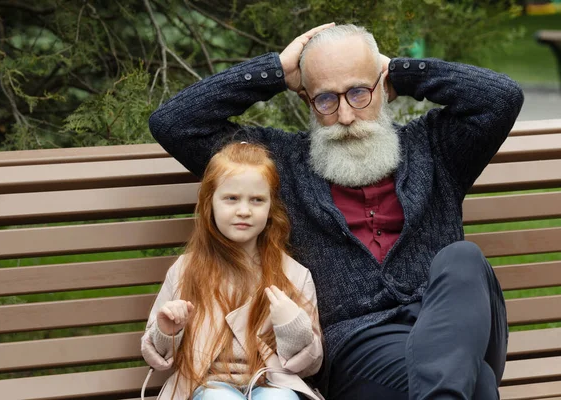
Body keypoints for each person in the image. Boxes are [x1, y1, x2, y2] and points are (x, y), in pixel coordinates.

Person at [148, 23, 524, 399]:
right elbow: (176, 124)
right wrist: (277, 70)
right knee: (479, 382)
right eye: (326, 99)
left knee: (463, 258)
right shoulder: (283, 166)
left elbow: (501, 98)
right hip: (363, 346)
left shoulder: (435, 147)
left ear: (382, 87)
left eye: (359, 92)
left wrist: (403, 72)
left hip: (455, 320)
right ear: (307, 101)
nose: (345, 116)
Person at [140, 142, 323, 400]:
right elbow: (157, 356)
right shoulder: (186, 269)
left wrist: (294, 329)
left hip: (271, 385)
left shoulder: (294, 275)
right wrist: (167, 330)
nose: (244, 211)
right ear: (209, 203)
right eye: (231, 199)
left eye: (257, 200)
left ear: (271, 208)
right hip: (205, 386)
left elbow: (310, 365)